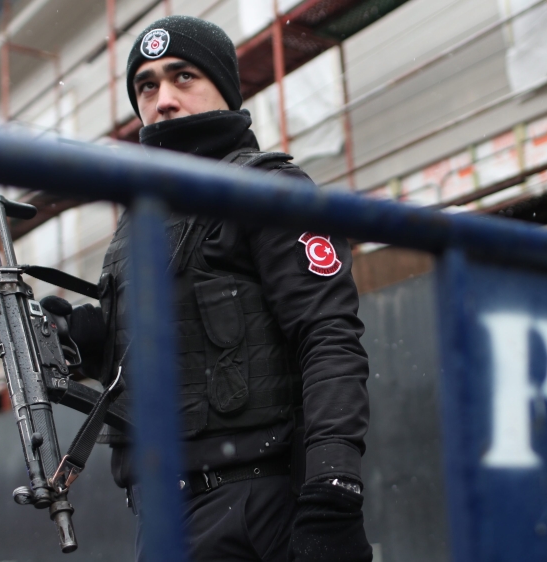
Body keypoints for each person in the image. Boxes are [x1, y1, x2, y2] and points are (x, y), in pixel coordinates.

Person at [53, 15, 373, 562]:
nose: (164, 100)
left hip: (252, 504)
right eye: (146, 86)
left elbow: (328, 336)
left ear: (223, 86)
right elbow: (184, 346)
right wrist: (89, 336)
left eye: (184, 77)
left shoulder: (266, 188)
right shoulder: (140, 217)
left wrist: (333, 486)